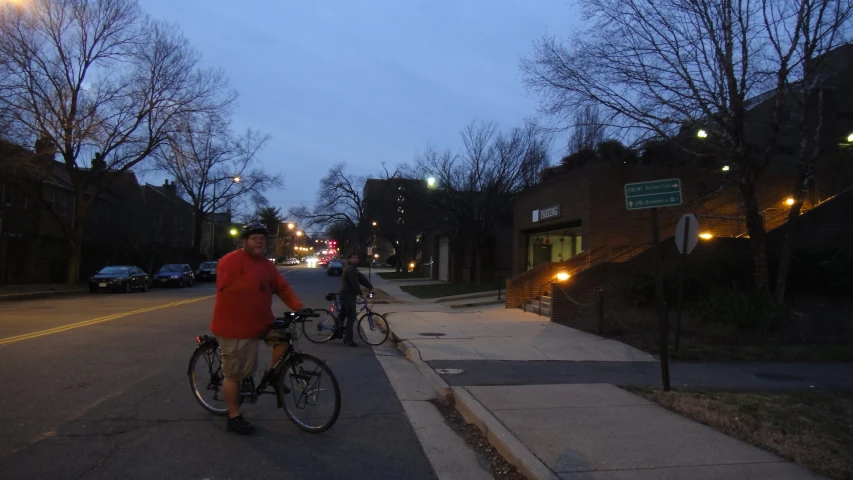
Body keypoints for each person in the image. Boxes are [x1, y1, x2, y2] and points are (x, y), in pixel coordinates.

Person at [209, 222, 310, 435]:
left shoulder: (266, 265)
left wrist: (299, 308)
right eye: (254, 238)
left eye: (262, 239)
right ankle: (233, 416)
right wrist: (255, 290)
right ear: (244, 241)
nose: (258, 242)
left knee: (284, 338)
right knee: (235, 374)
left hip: (261, 322)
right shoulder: (230, 261)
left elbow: (281, 287)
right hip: (235, 326)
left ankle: (273, 376)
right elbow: (228, 289)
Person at [338, 252, 374, 346]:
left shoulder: (354, 269)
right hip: (347, 295)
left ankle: (336, 331)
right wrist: (361, 293)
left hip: (349, 295)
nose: (355, 259)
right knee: (352, 317)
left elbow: (361, 279)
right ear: (349, 259)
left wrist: (370, 286)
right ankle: (348, 339)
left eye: (357, 258)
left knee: (343, 314)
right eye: (353, 258)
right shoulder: (350, 269)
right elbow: (354, 283)